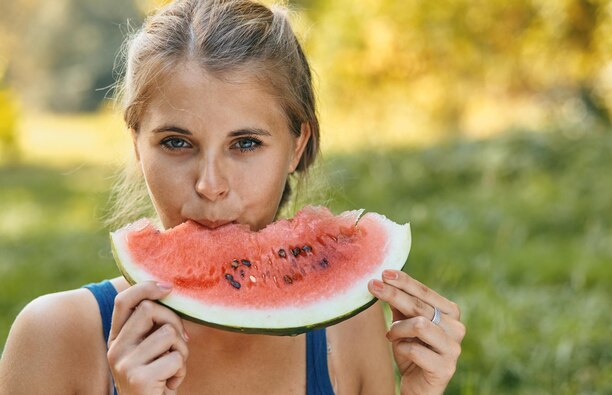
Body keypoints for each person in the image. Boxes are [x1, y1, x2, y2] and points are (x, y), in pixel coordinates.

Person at [0, 1, 465, 394]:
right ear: (137, 146)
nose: (209, 184)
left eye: (245, 144)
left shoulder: (347, 327)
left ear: (296, 145)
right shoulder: (55, 336)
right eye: (176, 143)